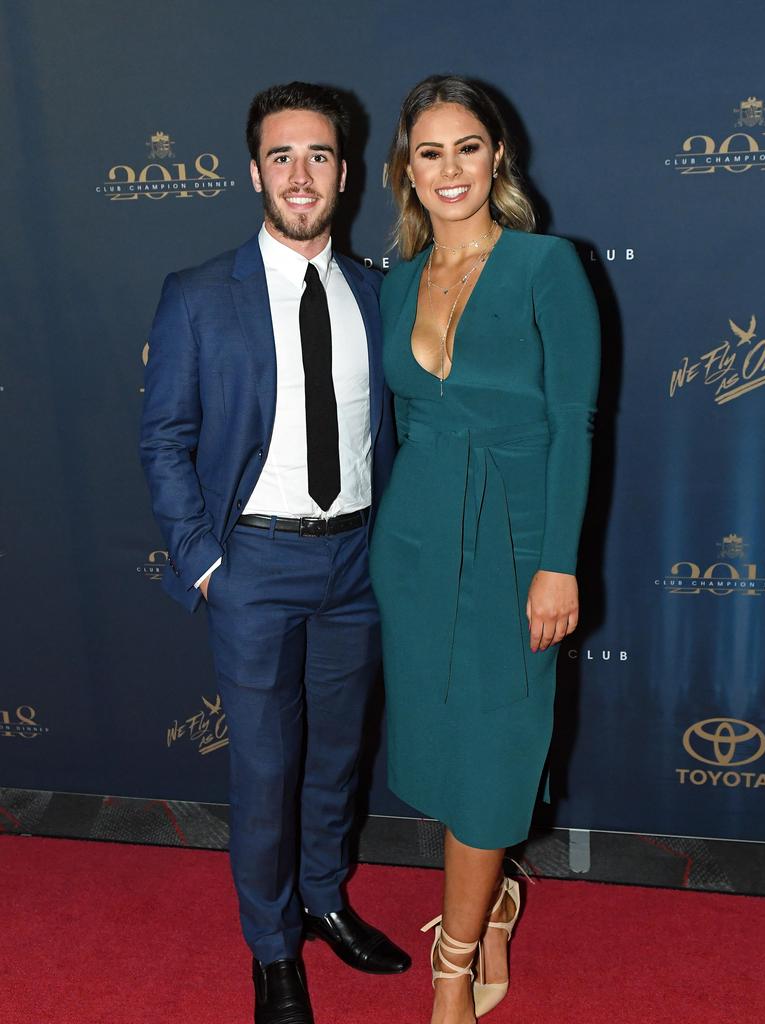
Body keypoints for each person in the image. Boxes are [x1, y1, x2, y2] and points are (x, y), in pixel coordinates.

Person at [140, 81, 408, 1024]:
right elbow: (164, 439)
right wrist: (206, 561)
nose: (302, 174)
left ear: (347, 174)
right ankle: (271, 949)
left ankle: (326, 899)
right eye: (283, 156)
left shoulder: (381, 292)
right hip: (254, 564)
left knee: (337, 756)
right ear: (255, 171)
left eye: (320, 156)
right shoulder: (198, 296)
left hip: (358, 563)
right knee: (263, 765)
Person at [369, 75, 600, 1024]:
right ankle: (496, 894)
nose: (450, 168)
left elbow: (576, 426)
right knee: (436, 747)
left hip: (514, 544)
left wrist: (559, 561)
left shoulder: (549, 265)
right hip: (416, 540)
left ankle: (454, 965)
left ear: (497, 156)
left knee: (496, 751)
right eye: (430, 152)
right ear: (407, 172)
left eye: (468, 146)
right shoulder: (393, 283)